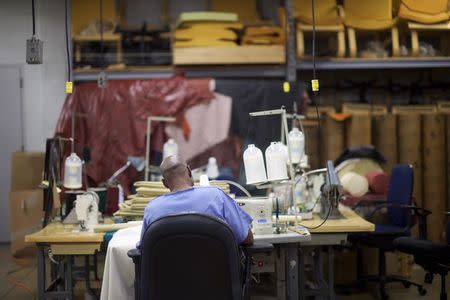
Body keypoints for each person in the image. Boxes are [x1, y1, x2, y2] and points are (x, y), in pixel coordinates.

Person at [138, 156, 253, 247]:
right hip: (217, 275)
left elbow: (144, 249)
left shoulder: (153, 209)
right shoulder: (216, 197)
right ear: (189, 171)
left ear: (164, 183)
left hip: (169, 276)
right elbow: (247, 238)